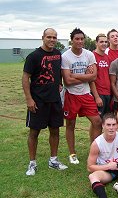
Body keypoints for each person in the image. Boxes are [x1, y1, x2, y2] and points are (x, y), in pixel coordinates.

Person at [23, 28, 68, 175]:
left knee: (55, 130)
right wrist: (29, 99)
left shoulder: (57, 54)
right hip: (38, 101)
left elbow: (58, 72)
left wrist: (60, 83)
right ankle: (32, 163)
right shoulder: (34, 56)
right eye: (49, 37)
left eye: (54, 37)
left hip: (54, 100)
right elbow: (25, 78)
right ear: (43, 37)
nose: (52, 40)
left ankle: (53, 160)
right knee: (34, 132)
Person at [61, 28, 102, 165]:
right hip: (71, 95)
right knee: (70, 124)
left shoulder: (89, 54)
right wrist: (85, 76)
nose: (79, 41)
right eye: (76, 39)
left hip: (85, 94)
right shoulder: (65, 56)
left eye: (81, 39)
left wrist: (74, 75)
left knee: (97, 121)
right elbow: (67, 81)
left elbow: (94, 76)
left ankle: (94, 150)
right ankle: (72, 153)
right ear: (72, 40)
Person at [90, 34, 112, 117]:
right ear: (96, 43)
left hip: (108, 93)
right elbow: (91, 79)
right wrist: (96, 97)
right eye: (101, 42)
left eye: (106, 42)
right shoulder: (92, 56)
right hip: (99, 93)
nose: (104, 44)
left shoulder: (107, 57)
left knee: (105, 120)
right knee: (97, 121)